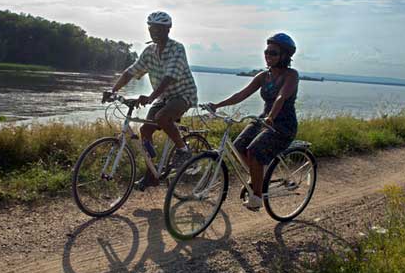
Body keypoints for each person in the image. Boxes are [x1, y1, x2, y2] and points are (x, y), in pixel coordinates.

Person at [106, 11, 198, 190]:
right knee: (145, 130)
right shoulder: (149, 51)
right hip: (164, 97)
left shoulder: (176, 48)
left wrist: (150, 97)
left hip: (183, 95)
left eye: (159, 28)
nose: (154, 31)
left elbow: (169, 78)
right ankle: (151, 176)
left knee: (162, 117)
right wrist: (112, 91)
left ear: (168, 29)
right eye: (151, 28)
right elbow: (130, 72)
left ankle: (183, 150)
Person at [208, 33, 299, 211]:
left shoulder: (291, 75)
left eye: (273, 53)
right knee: (238, 146)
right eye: (267, 52)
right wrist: (217, 105)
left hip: (283, 124)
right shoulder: (263, 76)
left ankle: (257, 196)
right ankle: (257, 175)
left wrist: (271, 116)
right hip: (265, 118)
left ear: (285, 56)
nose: (268, 55)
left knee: (255, 151)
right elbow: (241, 94)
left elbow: (281, 97)